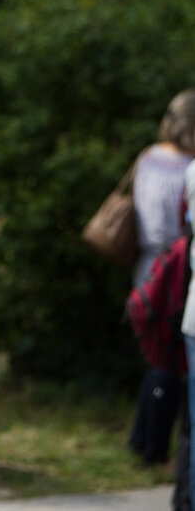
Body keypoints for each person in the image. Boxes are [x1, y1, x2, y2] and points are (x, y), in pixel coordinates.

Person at [129, 89, 195, 467]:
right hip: (176, 270)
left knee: (154, 355)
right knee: (170, 364)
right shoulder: (189, 166)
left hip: (146, 267)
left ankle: (142, 440)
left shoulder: (147, 157)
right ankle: (155, 449)